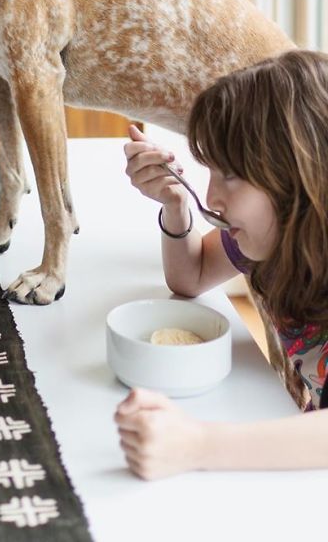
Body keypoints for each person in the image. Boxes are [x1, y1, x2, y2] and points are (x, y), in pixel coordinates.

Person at [116, 49, 328, 478]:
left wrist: (196, 445)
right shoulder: (277, 236)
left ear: (296, 175)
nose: (212, 198)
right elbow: (191, 277)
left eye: (230, 175)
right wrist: (176, 206)